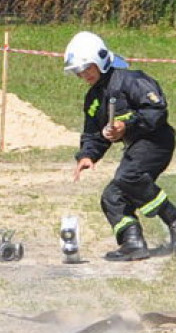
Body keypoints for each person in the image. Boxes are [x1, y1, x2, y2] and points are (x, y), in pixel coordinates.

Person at [67, 31, 176, 261]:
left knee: (128, 177)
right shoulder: (94, 99)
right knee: (112, 196)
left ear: (101, 59)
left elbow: (157, 111)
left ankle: (173, 219)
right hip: (136, 146)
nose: (83, 74)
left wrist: (127, 125)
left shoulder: (132, 80)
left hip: (157, 141)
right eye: (78, 71)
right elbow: (94, 134)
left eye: (87, 67)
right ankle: (132, 242)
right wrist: (87, 155)